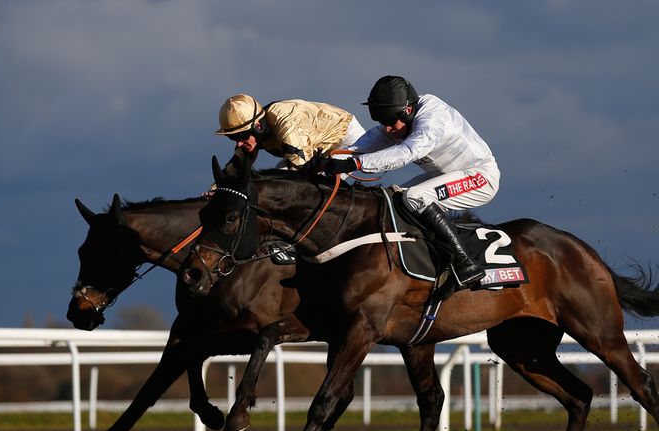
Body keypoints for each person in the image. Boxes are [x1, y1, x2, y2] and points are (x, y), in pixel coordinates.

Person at [319, 75, 501, 288]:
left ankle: (466, 264)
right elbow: (359, 148)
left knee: (414, 197)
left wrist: (354, 165)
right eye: (382, 122)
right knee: (392, 198)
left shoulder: (432, 119)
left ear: (407, 111)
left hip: (480, 176)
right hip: (443, 176)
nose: (387, 129)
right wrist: (326, 167)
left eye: (389, 122)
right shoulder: (399, 118)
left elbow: (407, 152)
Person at [214, 94, 365, 169]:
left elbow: (299, 170)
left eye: (241, 136)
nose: (239, 143)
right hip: (314, 150)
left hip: (347, 139)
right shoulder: (254, 132)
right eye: (232, 137)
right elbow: (237, 166)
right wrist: (216, 189)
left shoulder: (287, 125)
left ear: (258, 126)